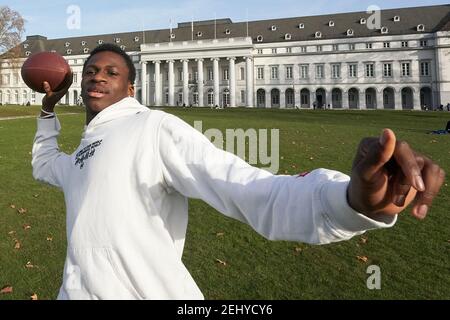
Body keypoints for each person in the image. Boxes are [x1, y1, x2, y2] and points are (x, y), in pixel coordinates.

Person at [32, 44, 445, 300]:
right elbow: (45, 164)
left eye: (111, 72)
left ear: (131, 88)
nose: (96, 78)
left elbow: (246, 187)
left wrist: (349, 201)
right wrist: (48, 111)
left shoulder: (152, 126)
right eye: (89, 71)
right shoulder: (86, 151)